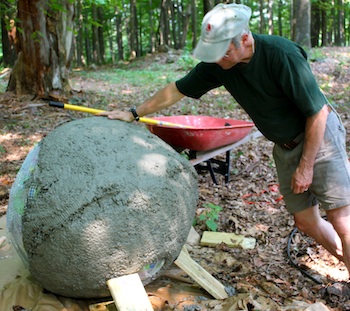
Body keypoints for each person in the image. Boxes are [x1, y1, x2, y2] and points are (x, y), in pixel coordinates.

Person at [98, 3, 350, 278]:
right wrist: (133, 113)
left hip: (319, 137)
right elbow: (176, 90)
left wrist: (306, 165)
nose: (217, 58)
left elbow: (318, 112)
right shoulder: (220, 64)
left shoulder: (282, 55)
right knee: (305, 221)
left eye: (222, 51)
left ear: (244, 38)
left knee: (341, 219)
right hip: (285, 145)